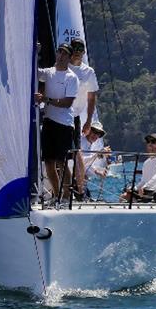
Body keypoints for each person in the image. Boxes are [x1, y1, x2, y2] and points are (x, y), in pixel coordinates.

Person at [34, 42, 79, 201]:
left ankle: (67, 197)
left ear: (69, 57)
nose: (61, 55)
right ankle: (56, 195)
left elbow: (67, 102)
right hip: (49, 121)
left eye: (65, 53)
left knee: (62, 162)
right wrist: (34, 51)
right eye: (59, 51)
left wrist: (46, 99)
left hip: (64, 125)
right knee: (48, 162)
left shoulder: (71, 77)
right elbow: (35, 71)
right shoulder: (49, 72)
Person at [68, 38, 100, 198]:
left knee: (77, 152)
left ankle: (80, 190)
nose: (78, 51)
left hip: (74, 117)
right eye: (75, 48)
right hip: (55, 115)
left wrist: (88, 121)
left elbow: (92, 97)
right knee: (57, 155)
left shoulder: (89, 72)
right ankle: (62, 190)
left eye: (81, 49)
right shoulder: (61, 67)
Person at [121, 133, 156, 203]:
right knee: (125, 196)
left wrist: (144, 187)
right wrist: (134, 188)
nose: (150, 144)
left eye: (153, 142)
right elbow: (143, 181)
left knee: (142, 199)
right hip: (148, 194)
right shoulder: (146, 163)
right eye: (148, 142)